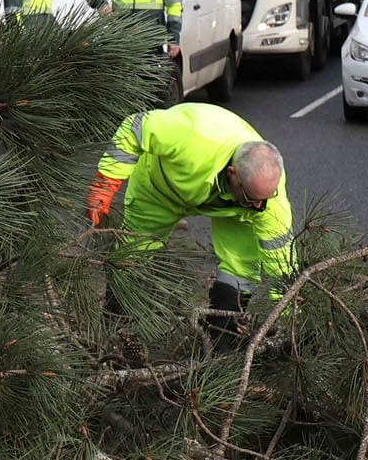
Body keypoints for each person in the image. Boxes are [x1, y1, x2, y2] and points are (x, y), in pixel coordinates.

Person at [86, 102, 295, 324]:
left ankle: (223, 333)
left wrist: (291, 316)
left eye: (265, 199)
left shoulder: (265, 194)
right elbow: (134, 128)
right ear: (233, 173)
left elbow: (281, 259)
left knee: (241, 266)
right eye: (253, 198)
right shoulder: (193, 134)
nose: (259, 207)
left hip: (231, 208)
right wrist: (106, 183)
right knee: (133, 257)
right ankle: (114, 325)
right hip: (160, 192)